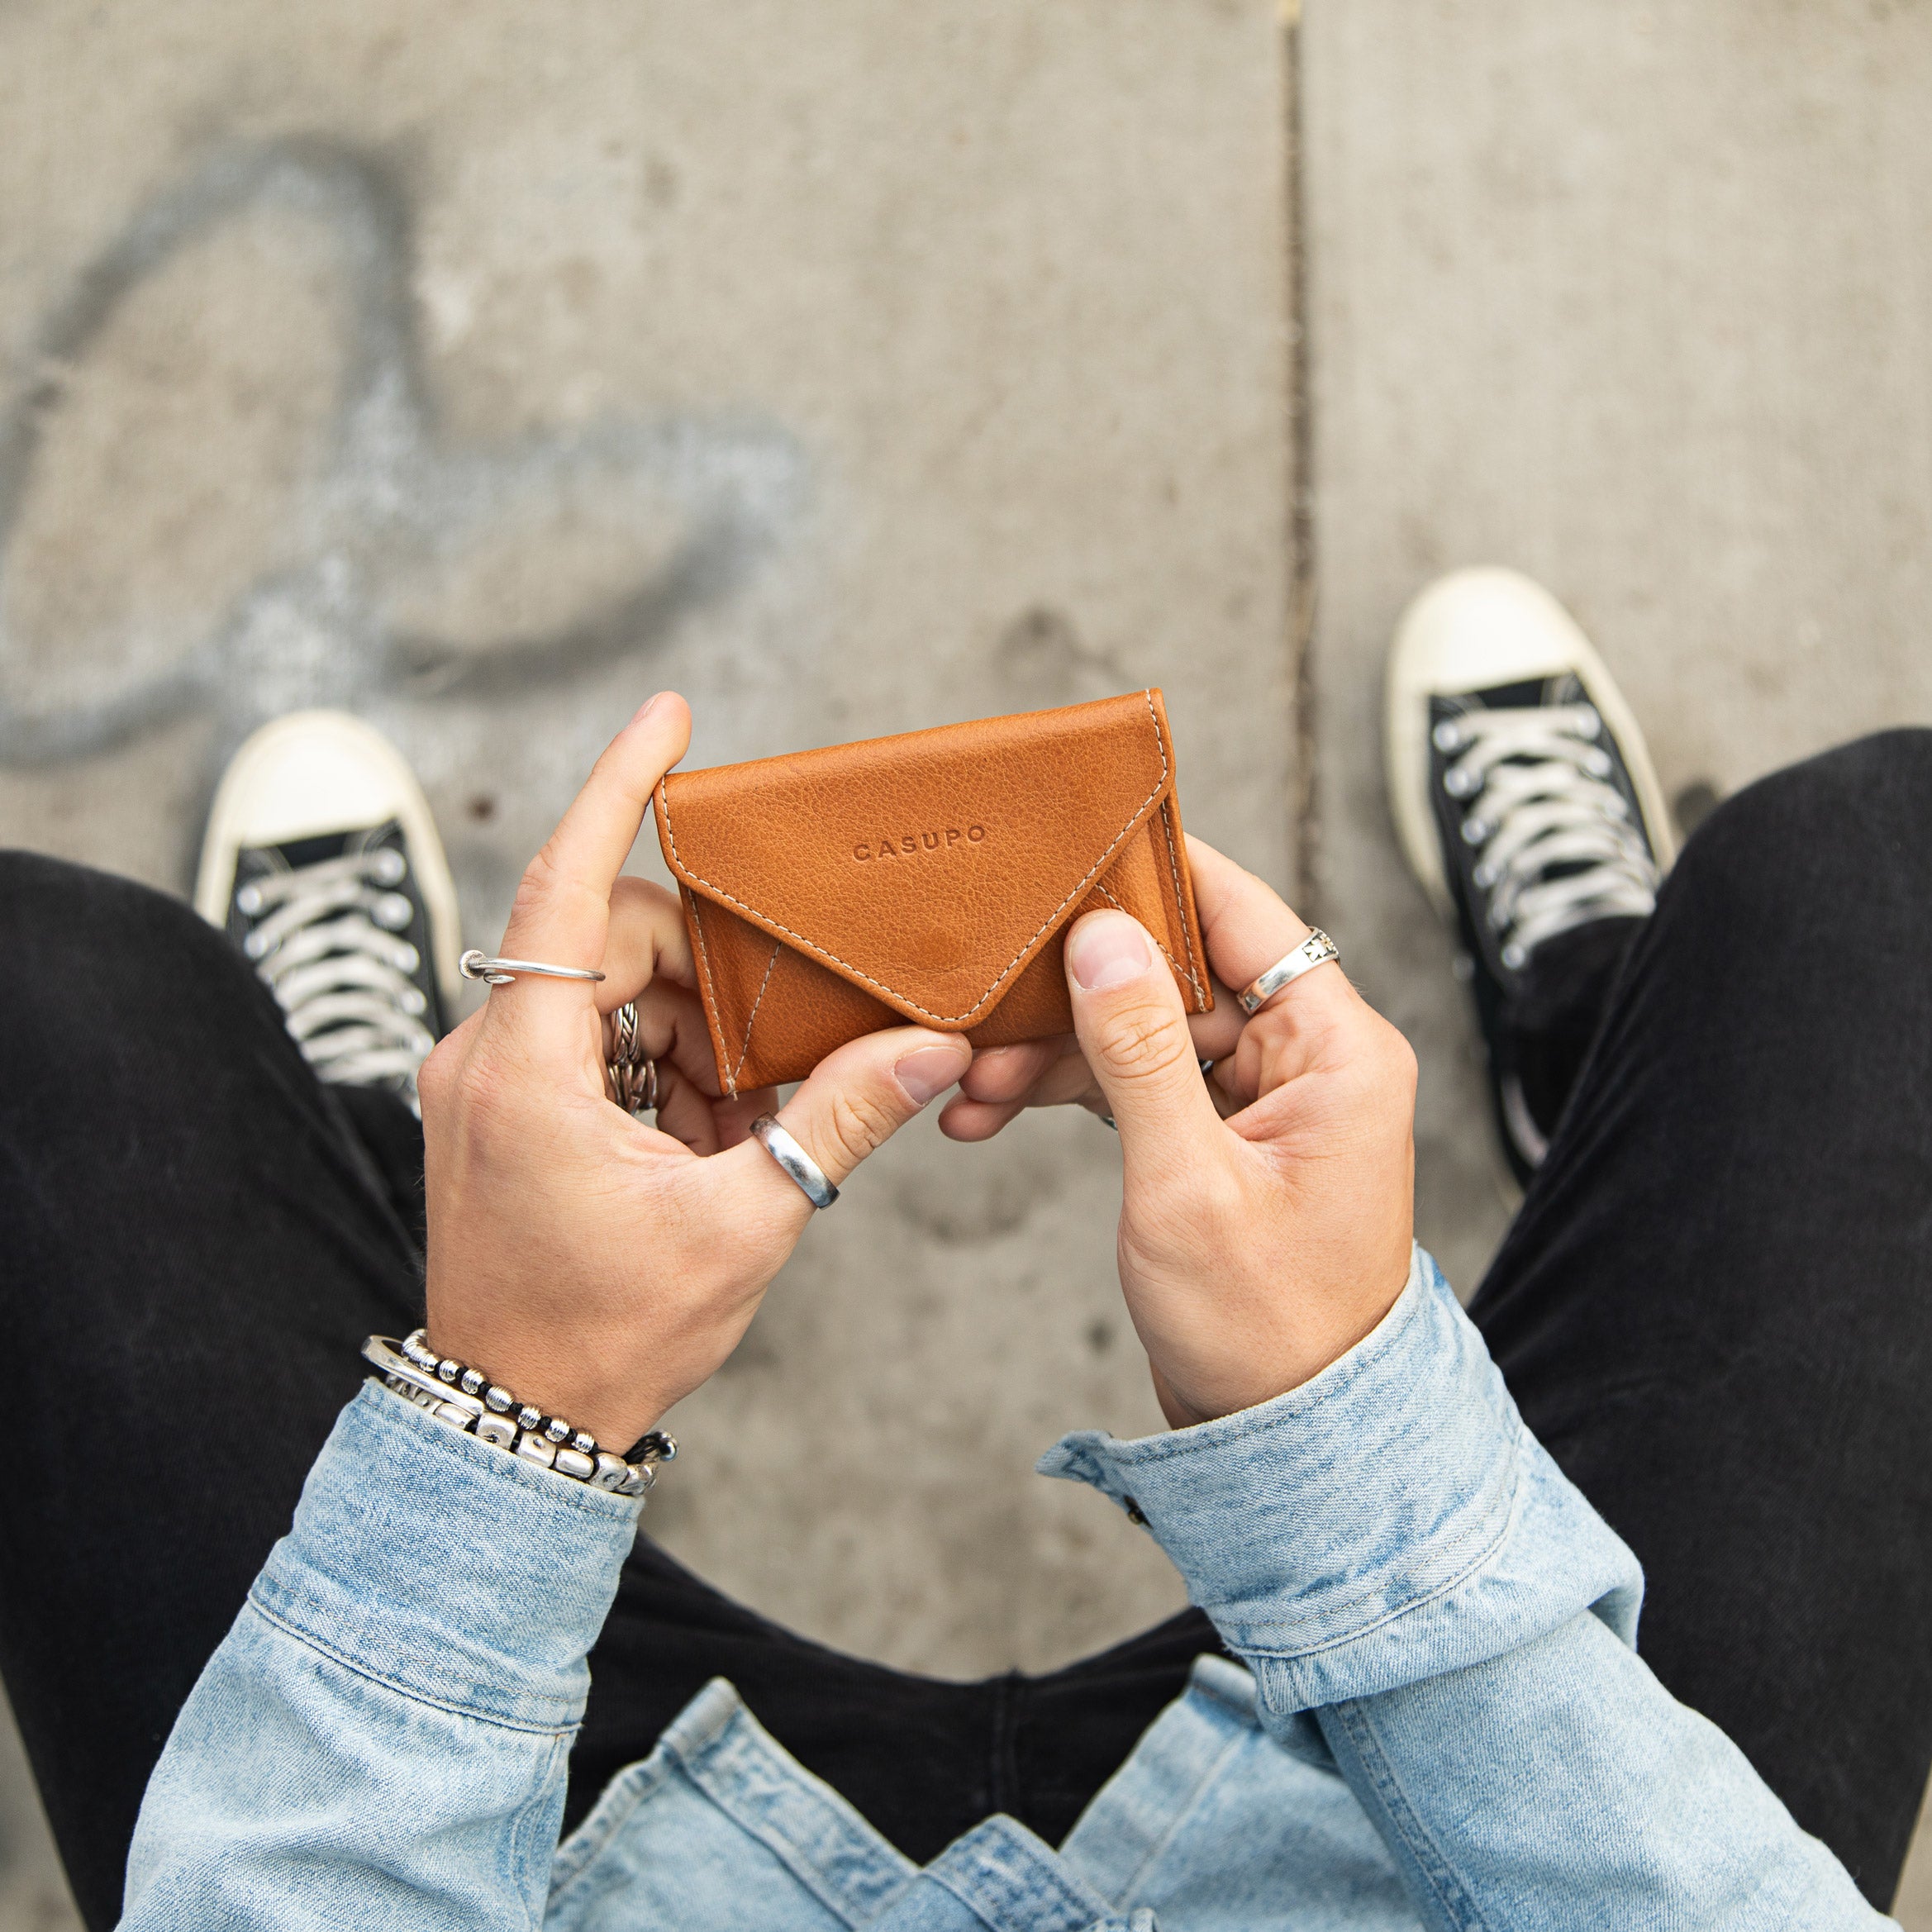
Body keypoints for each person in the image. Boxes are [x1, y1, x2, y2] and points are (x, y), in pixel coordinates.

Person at [0, 567, 1925, 1930]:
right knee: (1870, 880)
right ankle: (1591, 1023)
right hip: (1401, 1850)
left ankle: (416, 1143)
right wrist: (1343, 1438)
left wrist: (511, 1410)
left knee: (58, 1005)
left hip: (580, 1856)